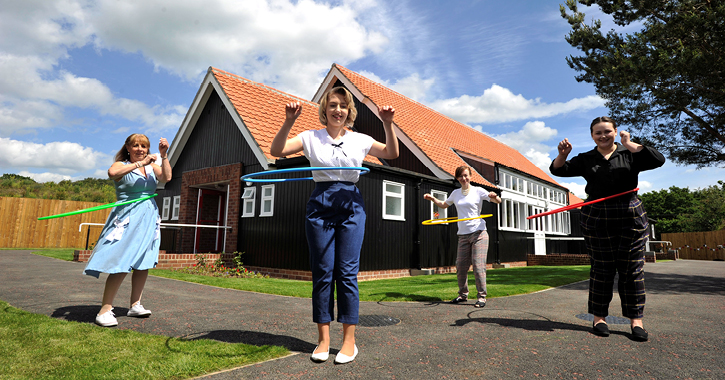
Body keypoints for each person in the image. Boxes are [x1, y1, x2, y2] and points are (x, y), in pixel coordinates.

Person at [270, 87, 399, 364]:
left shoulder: (360, 139)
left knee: (347, 273)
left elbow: (391, 152)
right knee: (323, 272)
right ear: (325, 110)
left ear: (348, 110)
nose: (337, 109)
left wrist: (387, 124)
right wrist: (289, 120)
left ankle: (349, 341)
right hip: (320, 202)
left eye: (342, 105)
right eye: (332, 105)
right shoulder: (310, 137)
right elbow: (276, 150)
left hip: (351, 203)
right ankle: (323, 339)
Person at [550, 116, 665, 342]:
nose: (603, 136)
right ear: (592, 136)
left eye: (607, 132)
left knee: (632, 270)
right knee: (602, 269)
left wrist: (629, 144)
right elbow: (558, 171)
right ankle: (599, 318)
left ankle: (636, 321)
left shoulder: (630, 154)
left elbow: (658, 159)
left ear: (615, 132)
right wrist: (562, 155)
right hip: (597, 216)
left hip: (630, 215)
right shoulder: (586, 158)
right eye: (598, 133)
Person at [84, 134, 172, 327]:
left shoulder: (152, 166)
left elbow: (166, 177)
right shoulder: (121, 165)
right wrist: (140, 164)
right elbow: (113, 174)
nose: (140, 149)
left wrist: (164, 156)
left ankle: (135, 305)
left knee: (143, 261)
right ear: (128, 148)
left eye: (144, 146)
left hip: (148, 215)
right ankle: (105, 310)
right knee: (121, 260)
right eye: (136, 146)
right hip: (128, 216)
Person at [423, 165, 502, 308]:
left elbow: (498, 201)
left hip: (479, 233)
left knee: (478, 266)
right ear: (457, 178)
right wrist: (433, 199)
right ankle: (463, 294)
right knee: (460, 266)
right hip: (463, 235)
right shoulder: (455, 193)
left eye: (466, 175)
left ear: (470, 176)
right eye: (460, 176)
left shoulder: (478, 191)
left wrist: (494, 196)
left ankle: (482, 297)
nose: (463, 178)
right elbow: (444, 205)